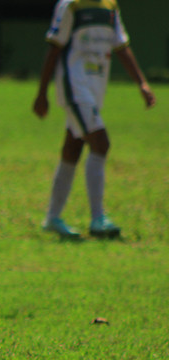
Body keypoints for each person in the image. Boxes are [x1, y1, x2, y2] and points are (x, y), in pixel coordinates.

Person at [33, 0, 155, 240]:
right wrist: (42, 93)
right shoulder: (71, 5)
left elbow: (121, 46)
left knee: (73, 147)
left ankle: (52, 218)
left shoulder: (110, 5)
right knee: (101, 142)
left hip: (95, 87)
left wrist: (141, 83)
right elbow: (54, 48)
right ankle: (98, 218)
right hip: (74, 86)